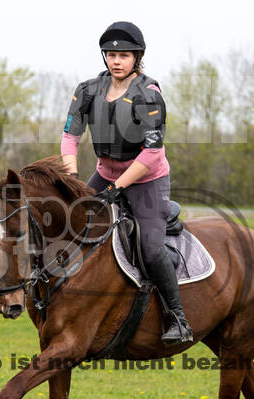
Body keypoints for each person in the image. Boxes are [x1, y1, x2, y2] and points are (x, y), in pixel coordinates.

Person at [60, 21, 193, 344]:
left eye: (124, 55)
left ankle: (178, 317)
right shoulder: (87, 90)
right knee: (68, 223)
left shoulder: (149, 95)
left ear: (138, 57)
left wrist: (117, 190)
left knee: (149, 246)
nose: (116, 61)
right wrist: (73, 180)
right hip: (104, 173)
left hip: (147, 179)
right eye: (111, 55)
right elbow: (69, 138)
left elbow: (151, 152)